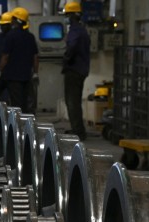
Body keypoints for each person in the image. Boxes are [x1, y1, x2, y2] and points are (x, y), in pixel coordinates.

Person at [0, 7, 39, 114]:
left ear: (16, 20)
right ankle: (26, 126)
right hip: (26, 76)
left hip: (13, 77)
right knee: (25, 103)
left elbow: (5, 56)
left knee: (16, 104)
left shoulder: (10, 36)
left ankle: (18, 127)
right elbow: (35, 57)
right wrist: (35, 73)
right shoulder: (30, 37)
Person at [62, 2, 91, 141]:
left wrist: (66, 59)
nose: (67, 18)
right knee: (76, 101)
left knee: (72, 101)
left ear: (72, 15)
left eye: (68, 15)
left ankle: (79, 132)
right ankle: (77, 129)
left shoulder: (75, 30)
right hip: (82, 69)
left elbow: (72, 46)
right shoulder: (83, 29)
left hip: (73, 69)